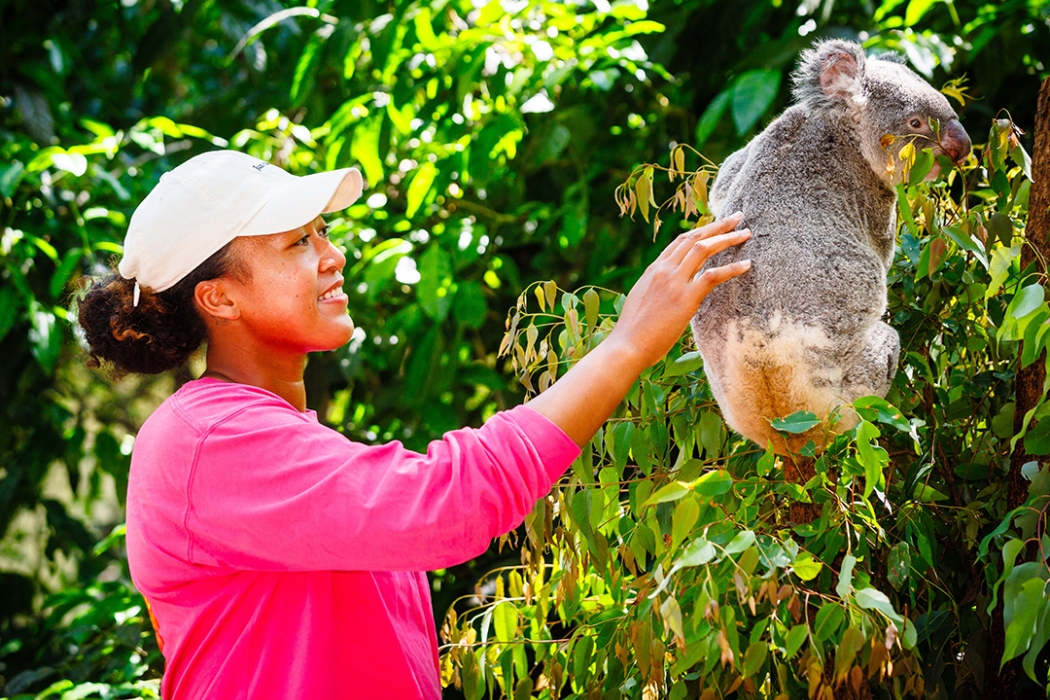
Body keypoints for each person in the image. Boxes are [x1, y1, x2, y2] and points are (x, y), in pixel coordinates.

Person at [77, 149, 751, 699]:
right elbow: (449, 504)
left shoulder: (292, 442)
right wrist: (627, 344)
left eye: (322, 232)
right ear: (219, 296)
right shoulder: (206, 442)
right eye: (296, 243)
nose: (331, 254)